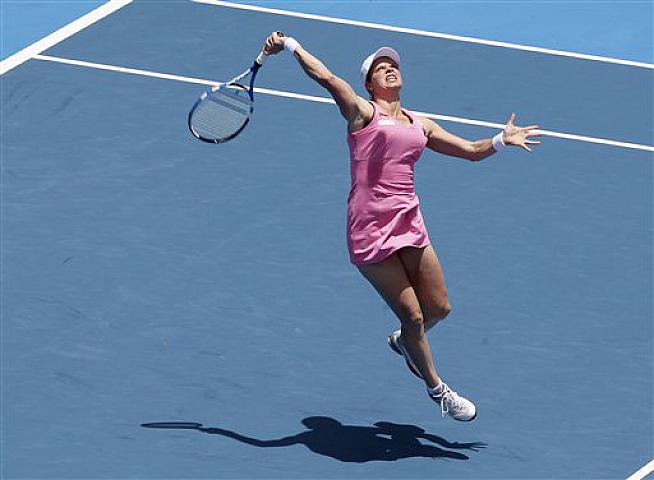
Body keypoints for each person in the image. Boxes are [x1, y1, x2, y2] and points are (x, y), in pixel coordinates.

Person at [263, 32, 541, 422]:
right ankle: (437, 388)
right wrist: (291, 45)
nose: (390, 69)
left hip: (408, 223)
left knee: (439, 308)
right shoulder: (362, 113)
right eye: (381, 68)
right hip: (369, 231)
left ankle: (406, 343)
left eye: (393, 65)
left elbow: (470, 151)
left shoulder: (420, 125)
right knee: (413, 316)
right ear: (369, 84)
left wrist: (500, 140)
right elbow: (326, 77)